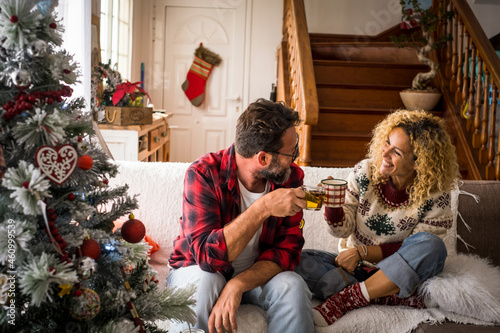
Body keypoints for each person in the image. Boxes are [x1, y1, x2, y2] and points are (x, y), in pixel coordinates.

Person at [295, 109, 460, 326]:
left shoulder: (436, 195)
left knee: (433, 246)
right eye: (387, 142)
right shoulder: (364, 172)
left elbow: (418, 247)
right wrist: (333, 205)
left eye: (397, 152)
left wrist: (363, 252)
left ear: (418, 162)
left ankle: (349, 298)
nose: (384, 153)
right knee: (300, 260)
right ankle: (385, 294)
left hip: (398, 270)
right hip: (355, 269)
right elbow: (342, 230)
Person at [167, 98, 314, 333]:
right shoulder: (203, 174)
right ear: (263, 158)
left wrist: (237, 284)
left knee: (292, 284)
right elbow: (208, 258)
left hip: (255, 278)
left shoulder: (291, 178)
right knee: (208, 281)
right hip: (197, 270)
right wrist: (263, 208)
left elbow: (287, 252)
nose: (295, 158)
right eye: (291, 152)